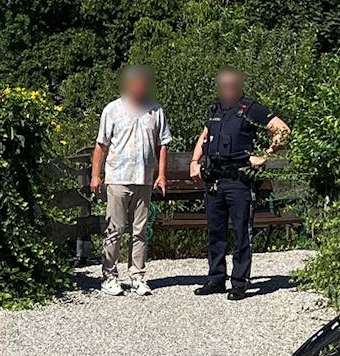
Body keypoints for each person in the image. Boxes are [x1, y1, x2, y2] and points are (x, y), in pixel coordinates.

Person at [189, 68, 290, 300]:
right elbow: (204, 137)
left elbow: (283, 131)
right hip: (214, 179)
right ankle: (216, 278)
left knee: (241, 233)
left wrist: (266, 155)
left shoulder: (250, 108)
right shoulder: (216, 109)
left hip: (239, 180)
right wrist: (195, 161)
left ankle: (239, 283)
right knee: (215, 232)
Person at [91, 66, 172, 296]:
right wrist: (96, 175)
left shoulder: (155, 110)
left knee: (140, 230)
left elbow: (163, 144)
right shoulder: (112, 110)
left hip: (144, 179)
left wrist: (161, 174)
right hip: (118, 177)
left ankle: (137, 275)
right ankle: (109, 275)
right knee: (114, 229)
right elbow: (101, 145)